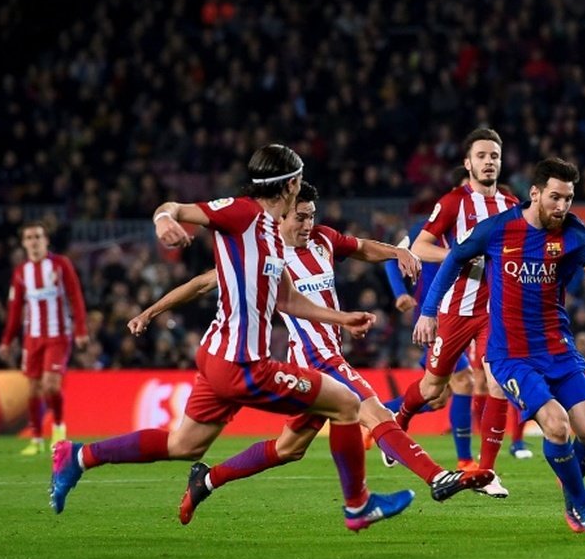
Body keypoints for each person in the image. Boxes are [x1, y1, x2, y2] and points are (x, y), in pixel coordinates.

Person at [50, 145, 413, 532]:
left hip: (217, 355)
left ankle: (79, 456)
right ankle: (357, 507)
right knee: (346, 403)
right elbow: (174, 207)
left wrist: (341, 317)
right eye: (299, 178)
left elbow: (287, 299)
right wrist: (163, 220)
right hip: (244, 363)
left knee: (183, 446)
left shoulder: (273, 234)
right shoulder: (242, 213)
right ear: (291, 184)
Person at [128, 181, 492, 523]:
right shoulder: (263, 252)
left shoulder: (323, 240)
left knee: (289, 448)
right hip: (313, 360)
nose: (307, 223)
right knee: (373, 408)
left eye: (312, 215)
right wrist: (149, 312)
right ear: (281, 215)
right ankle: (437, 477)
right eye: (300, 216)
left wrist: (396, 252)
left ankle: (206, 481)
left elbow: (361, 247)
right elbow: (198, 285)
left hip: (325, 357)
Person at [414, 158, 585, 539]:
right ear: (534, 194)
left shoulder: (573, 234)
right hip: (510, 355)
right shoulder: (498, 230)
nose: (562, 206)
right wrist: (429, 310)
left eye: (568, 198)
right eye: (555, 197)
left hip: (558, 349)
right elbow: (454, 258)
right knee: (556, 424)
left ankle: (570, 493)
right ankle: (583, 502)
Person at [396, 128, 519, 497]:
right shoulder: (453, 202)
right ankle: (399, 419)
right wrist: (460, 255)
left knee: (494, 381)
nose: (488, 162)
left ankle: (486, 471)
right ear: (468, 163)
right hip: (456, 308)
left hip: (495, 311)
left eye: (494, 156)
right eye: (481, 156)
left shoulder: (512, 206)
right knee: (434, 387)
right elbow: (420, 246)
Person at [384, 166, 481, 470]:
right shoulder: (428, 229)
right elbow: (392, 256)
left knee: (437, 396)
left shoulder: (483, 228)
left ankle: (378, 421)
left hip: (467, 313)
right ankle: (465, 460)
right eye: (468, 189)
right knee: (464, 381)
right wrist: (400, 292)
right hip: (435, 316)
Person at [0, 221, 88, 455]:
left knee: (51, 384)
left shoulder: (60, 265)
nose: (34, 241)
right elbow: (15, 309)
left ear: (46, 240)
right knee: (33, 389)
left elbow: (75, 296)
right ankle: (36, 439)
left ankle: (58, 428)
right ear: (23, 243)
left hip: (58, 334)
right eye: (29, 238)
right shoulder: (21, 272)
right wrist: (7, 340)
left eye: (38, 236)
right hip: (32, 337)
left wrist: (81, 330)